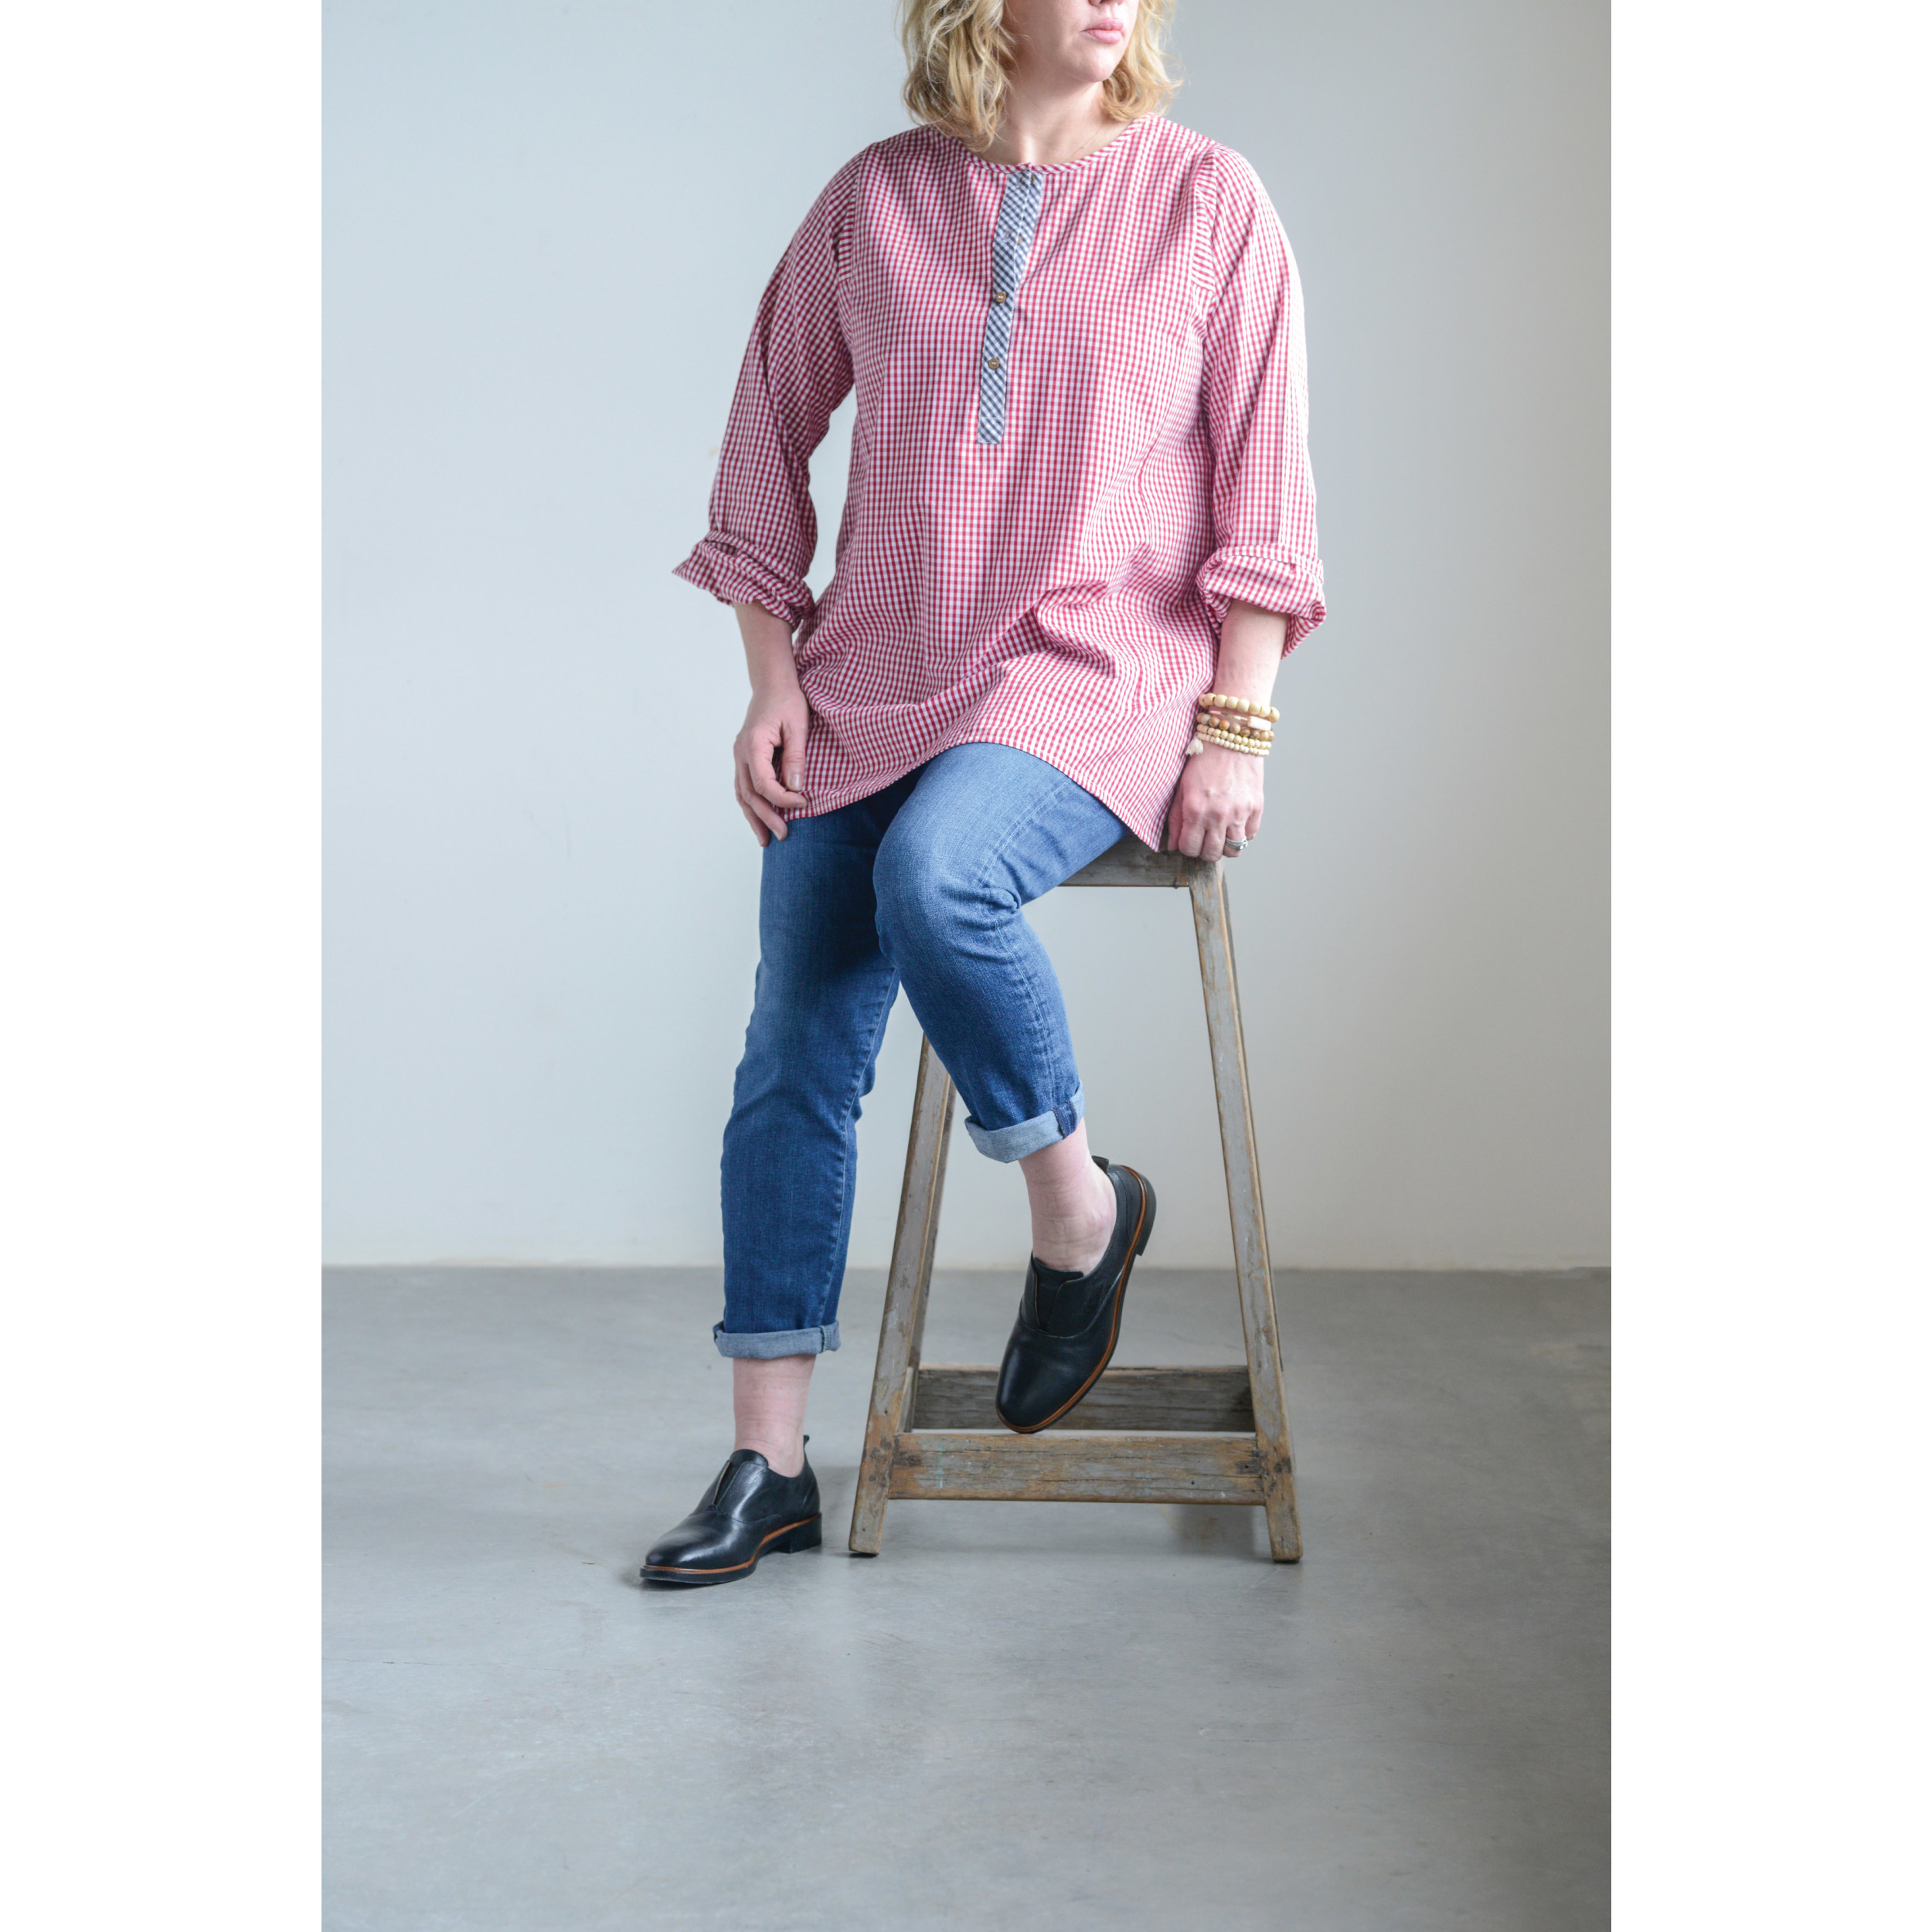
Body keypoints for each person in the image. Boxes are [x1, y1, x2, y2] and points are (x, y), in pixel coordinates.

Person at [644, 0, 1323, 1587]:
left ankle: (1077, 1211)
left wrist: (1239, 721)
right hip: (877, 666)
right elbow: (763, 436)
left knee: (936, 877)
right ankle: (766, 1464)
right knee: (792, 1057)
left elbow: (1264, 476)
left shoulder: (1207, 199)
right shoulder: (874, 201)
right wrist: (772, 678)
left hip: (1090, 672)